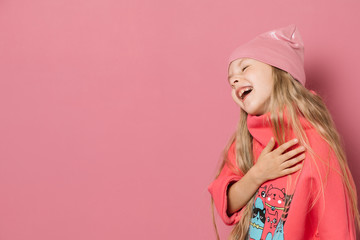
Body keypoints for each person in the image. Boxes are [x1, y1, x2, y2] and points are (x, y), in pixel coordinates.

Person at [208, 24, 359, 240]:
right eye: (230, 80)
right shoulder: (243, 142)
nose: (234, 81)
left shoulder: (315, 142)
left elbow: (337, 227)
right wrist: (258, 174)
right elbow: (228, 203)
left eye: (245, 68)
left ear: (280, 72)